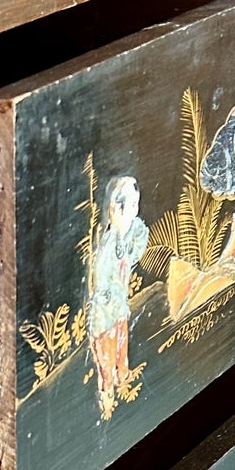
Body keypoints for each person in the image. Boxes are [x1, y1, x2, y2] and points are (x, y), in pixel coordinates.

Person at [85, 175, 149, 419]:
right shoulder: (109, 245)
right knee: (107, 361)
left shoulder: (127, 237)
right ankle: (108, 403)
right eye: (131, 205)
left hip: (119, 312)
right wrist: (112, 299)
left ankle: (124, 384)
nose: (135, 210)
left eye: (136, 204)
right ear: (115, 209)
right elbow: (102, 284)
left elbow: (137, 248)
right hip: (105, 318)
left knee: (122, 353)